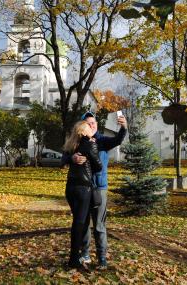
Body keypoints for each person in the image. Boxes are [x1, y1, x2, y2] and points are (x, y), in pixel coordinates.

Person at [63, 111, 127, 270]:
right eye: (88, 123)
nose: (92, 125)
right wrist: (72, 159)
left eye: (94, 123)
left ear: (97, 126)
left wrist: (124, 127)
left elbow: (118, 140)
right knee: (83, 223)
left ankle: (102, 257)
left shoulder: (101, 140)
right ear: (83, 126)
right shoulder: (76, 142)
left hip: (98, 188)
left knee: (98, 225)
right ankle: (84, 253)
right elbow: (64, 158)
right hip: (83, 189)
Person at [62, 121, 103, 270]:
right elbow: (99, 166)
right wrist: (93, 148)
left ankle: (77, 255)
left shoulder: (70, 144)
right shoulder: (89, 143)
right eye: (89, 127)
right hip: (83, 189)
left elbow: (62, 160)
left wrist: (72, 158)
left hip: (70, 188)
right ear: (84, 132)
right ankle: (73, 259)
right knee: (79, 224)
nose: (93, 129)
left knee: (80, 222)